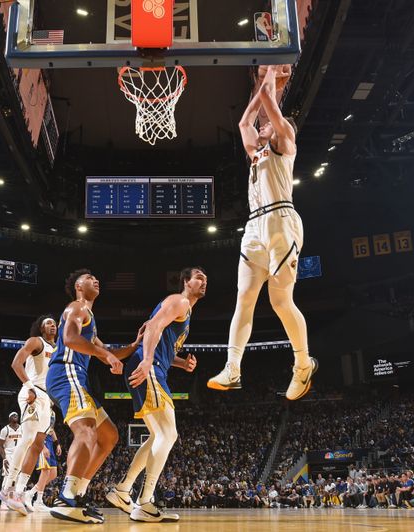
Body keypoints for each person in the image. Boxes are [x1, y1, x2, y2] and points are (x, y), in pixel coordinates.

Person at [208, 64, 317, 400]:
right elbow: (243, 122)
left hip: (282, 220)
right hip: (254, 225)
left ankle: (303, 365)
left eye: (269, 122)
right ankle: (233, 367)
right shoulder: (257, 153)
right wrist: (262, 90)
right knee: (244, 298)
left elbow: (270, 101)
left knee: (280, 300)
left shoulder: (285, 142)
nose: (263, 124)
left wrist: (269, 73)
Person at [107, 266, 206, 522]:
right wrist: (148, 360)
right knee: (168, 433)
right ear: (185, 282)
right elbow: (152, 326)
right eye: (199, 278)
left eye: (206, 279)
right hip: (149, 367)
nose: (204, 282)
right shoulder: (179, 301)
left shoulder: (186, 310)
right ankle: (144, 501)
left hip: (156, 367)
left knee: (158, 435)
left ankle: (123, 489)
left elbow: (164, 343)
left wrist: (182, 363)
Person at [46, 269, 144, 523]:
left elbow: (106, 350)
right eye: (90, 278)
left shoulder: (89, 316)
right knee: (86, 430)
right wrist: (107, 357)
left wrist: (133, 346)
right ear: (78, 286)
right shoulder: (76, 307)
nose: (96, 280)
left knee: (109, 435)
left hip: (78, 378)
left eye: (96, 278)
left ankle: (78, 492)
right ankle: (66, 496)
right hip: (65, 373)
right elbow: (69, 338)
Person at [2, 315, 58, 515]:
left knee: (36, 445)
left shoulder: (59, 349)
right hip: (33, 393)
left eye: (55, 323)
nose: (53, 325)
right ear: (41, 328)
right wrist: (29, 387)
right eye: (48, 323)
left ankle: (19, 491)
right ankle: (8, 489)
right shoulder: (36, 342)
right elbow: (16, 363)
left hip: (46, 399)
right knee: (26, 441)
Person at [31, 421, 61, 510]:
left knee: (53, 474)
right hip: (42, 440)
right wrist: (43, 446)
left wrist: (57, 443)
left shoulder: (52, 412)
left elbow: (52, 429)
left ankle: (31, 493)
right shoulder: (41, 409)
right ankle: (38, 501)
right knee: (46, 470)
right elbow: (35, 428)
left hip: (50, 442)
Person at [0, 412, 21, 510]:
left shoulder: (22, 428)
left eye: (17, 415)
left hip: (19, 455)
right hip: (9, 455)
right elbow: (0, 446)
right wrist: (4, 458)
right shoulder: (5, 430)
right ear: (9, 418)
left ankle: (12, 501)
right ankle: (3, 502)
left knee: (18, 478)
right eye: (13, 415)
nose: (15, 416)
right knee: (7, 478)